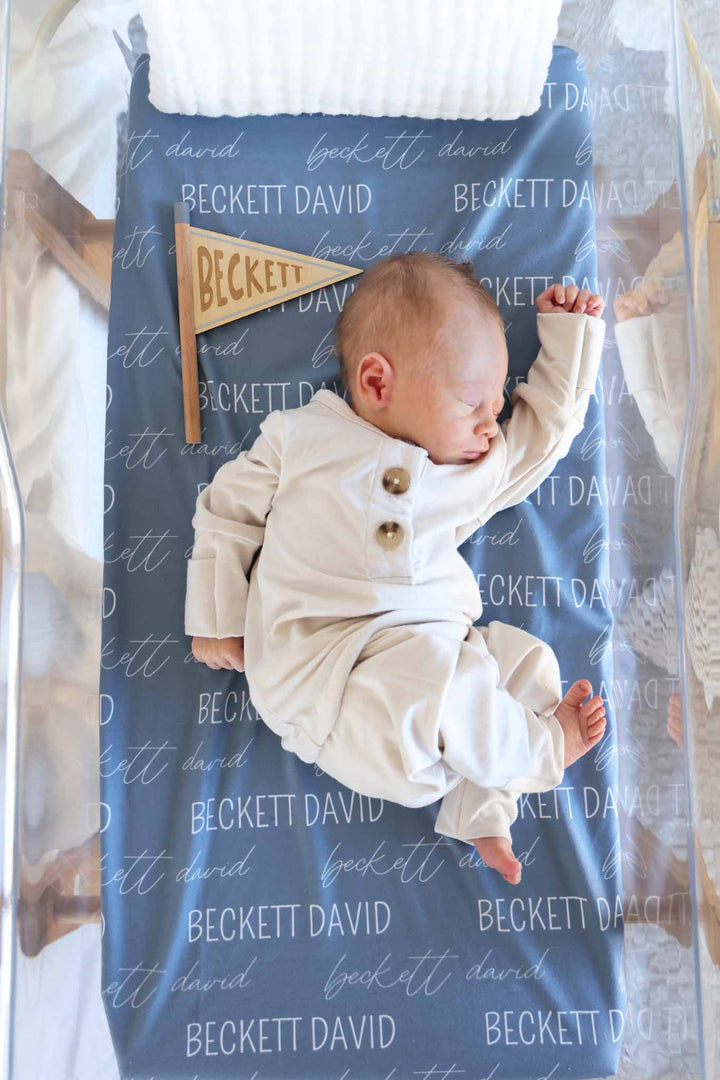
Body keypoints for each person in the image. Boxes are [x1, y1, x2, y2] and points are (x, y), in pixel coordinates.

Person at [185, 252, 607, 886]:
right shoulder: (301, 438)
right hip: (326, 677)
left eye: (495, 407)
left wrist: (569, 342)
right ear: (378, 383)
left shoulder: (467, 469)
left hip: (425, 666)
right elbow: (225, 510)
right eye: (474, 404)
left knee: (521, 664)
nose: (490, 426)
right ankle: (541, 752)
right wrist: (217, 615)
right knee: (449, 687)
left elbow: (541, 439)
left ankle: (482, 804)